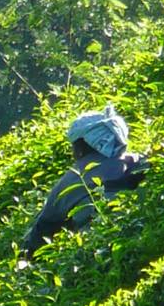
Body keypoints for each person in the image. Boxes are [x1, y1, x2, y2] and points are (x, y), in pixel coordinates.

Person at [22, 105, 150, 257]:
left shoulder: (73, 177)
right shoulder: (137, 160)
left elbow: (45, 224)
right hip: (143, 231)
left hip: (96, 249)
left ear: (82, 145)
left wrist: (26, 257)